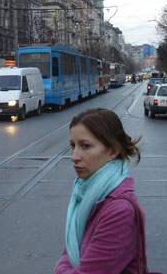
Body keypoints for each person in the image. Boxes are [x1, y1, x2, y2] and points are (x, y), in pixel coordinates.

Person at [54, 109, 149, 274]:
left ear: (112, 151)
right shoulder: (87, 194)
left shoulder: (120, 211)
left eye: (85, 146)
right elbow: (69, 252)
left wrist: (60, 270)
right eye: (73, 146)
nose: (74, 156)